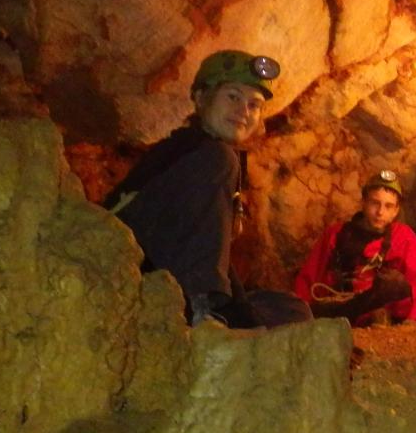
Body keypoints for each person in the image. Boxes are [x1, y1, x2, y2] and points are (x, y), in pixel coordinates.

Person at [104, 50, 312, 329]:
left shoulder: (204, 155)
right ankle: (207, 312)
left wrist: (243, 310)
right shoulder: (199, 156)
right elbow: (196, 258)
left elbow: (209, 249)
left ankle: (218, 309)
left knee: (291, 308)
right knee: (281, 321)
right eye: (233, 97)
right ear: (202, 98)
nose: (244, 111)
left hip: (175, 281)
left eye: (254, 104)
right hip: (149, 285)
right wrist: (212, 308)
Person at [294, 170, 416, 326]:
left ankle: (376, 315)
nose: (380, 212)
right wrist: (300, 312)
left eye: (388, 206)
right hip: (341, 305)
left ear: (396, 211)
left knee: (394, 284)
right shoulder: (337, 234)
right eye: (375, 203)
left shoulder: (402, 237)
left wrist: (414, 318)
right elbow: (310, 276)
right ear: (364, 202)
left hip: (382, 306)